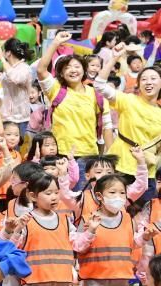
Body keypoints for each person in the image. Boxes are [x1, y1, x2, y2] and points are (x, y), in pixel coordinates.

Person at [38, 31, 113, 189]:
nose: (73, 70)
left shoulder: (96, 94)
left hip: (88, 156)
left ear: (84, 70)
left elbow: (107, 126)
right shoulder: (55, 89)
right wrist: (55, 42)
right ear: (61, 73)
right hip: (61, 156)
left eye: (77, 66)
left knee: (84, 198)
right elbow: (41, 70)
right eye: (67, 68)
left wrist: (111, 158)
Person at [94, 43, 161, 200]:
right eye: (144, 79)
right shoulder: (128, 100)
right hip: (121, 168)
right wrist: (114, 58)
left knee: (146, 213)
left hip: (147, 172)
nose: (148, 82)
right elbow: (99, 85)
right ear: (138, 84)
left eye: (153, 79)